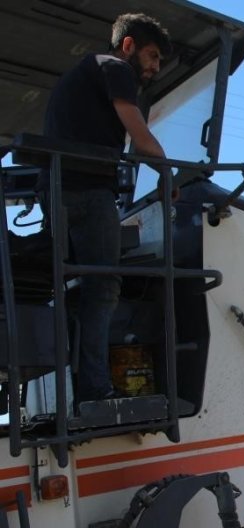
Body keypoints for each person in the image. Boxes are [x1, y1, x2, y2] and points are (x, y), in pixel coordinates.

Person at [42, 13, 173, 404]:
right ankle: (95, 388)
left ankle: (74, 385)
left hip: (55, 188)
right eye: (152, 55)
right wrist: (167, 175)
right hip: (87, 189)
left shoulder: (81, 75)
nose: (155, 67)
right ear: (128, 45)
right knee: (104, 285)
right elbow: (140, 136)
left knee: (72, 284)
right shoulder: (115, 68)